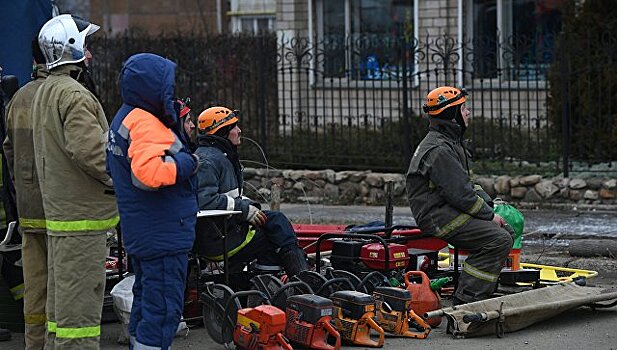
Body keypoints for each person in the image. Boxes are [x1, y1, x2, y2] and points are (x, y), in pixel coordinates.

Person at [32, 15, 119, 349]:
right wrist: (125, 175)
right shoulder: (75, 95)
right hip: (81, 222)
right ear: (70, 48)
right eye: (86, 46)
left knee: (61, 310)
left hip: (61, 216)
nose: (90, 55)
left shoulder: (45, 90)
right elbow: (93, 153)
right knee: (79, 316)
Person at [106, 53, 199, 350]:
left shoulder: (126, 116)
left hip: (146, 232)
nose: (169, 92)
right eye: (166, 85)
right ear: (152, 87)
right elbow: (148, 174)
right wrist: (189, 163)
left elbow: (114, 168)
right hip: (163, 234)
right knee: (162, 312)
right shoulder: (145, 123)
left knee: (147, 305)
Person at [406, 86, 513, 305]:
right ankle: (467, 299)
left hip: (447, 210)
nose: (468, 112)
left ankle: (482, 289)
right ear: (451, 114)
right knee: (498, 238)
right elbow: (462, 195)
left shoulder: (450, 142)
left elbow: (468, 184)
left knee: (506, 231)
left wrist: (490, 207)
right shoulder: (439, 150)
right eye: (463, 108)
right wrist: (489, 216)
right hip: (438, 217)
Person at [195, 106, 308, 277]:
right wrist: (245, 209)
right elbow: (203, 201)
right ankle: (301, 278)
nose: (239, 131)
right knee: (273, 236)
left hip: (227, 230)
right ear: (222, 131)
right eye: (234, 127)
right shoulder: (208, 162)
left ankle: (272, 283)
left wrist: (247, 205)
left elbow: (229, 196)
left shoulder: (221, 156)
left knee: (276, 221)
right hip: (218, 240)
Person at [2, 38, 49, 350]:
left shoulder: (16, 98)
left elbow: (9, 151)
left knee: (28, 277)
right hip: (41, 205)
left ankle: (30, 334)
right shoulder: (54, 96)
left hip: (22, 203)